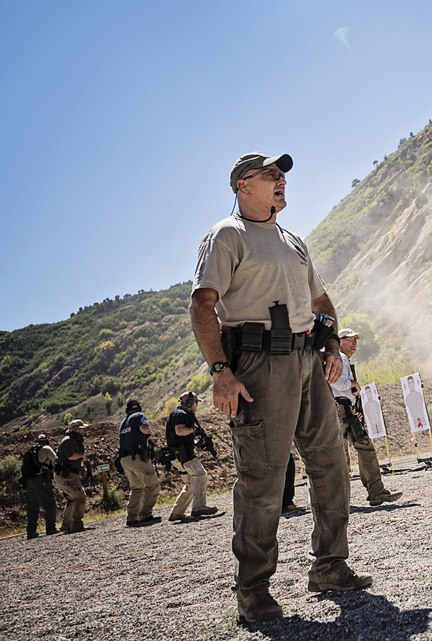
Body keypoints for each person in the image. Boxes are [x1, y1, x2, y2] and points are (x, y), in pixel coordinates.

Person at [190, 151, 370, 624]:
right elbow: (202, 305)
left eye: (282, 175)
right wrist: (220, 371)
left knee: (331, 463)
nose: (281, 180)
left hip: (308, 359)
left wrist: (331, 345)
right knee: (263, 477)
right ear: (243, 185)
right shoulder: (227, 235)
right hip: (258, 363)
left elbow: (321, 301)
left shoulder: (292, 240)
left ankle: (330, 567)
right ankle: (253, 592)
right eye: (270, 174)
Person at [331, 328, 402, 507]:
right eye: (350, 339)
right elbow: (338, 384)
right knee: (361, 448)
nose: (354, 342)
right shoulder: (341, 358)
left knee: (346, 452)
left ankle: (344, 498)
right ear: (340, 341)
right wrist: (353, 384)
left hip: (342, 409)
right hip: (340, 409)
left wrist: (353, 404)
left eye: (355, 339)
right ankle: (375, 491)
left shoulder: (340, 358)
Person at [165, 391, 219, 521]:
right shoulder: (181, 414)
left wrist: (197, 442)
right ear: (189, 403)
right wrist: (194, 430)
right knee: (201, 475)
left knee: (190, 483)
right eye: (196, 402)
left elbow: (179, 435)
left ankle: (177, 513)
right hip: (184, 454)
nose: (197, 405)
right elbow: (179, 431)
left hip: (177, 454)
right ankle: (199, 507)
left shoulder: (176, 414)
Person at [118, 399, 161, 527]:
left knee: (136, 488)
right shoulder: (139, 416)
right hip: (137, 457)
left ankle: (132, 517)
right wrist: (149, 433)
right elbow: (144, 428)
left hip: (124, 459)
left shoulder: (123, 422)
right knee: (152, 484)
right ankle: (145, 514)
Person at [54, 420, 89, 534]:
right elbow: (71, 456)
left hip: (65, 474)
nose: (85, 430)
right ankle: (76, 524)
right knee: (80, 497)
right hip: (66, 475)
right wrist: (82, 455)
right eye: (83, 428)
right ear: (77, 429)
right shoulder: (69, 441)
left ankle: (67, 525)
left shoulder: (74, 440)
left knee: (72, 499)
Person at [21, 434, 57, 539]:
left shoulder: (30, 452)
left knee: (32, 506)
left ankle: (31, 532)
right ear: (46, 440)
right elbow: (57, 460)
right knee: (50, 504)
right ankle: (51, 528)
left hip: (28, 481)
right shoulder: (46, 448)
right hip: (40, 479)